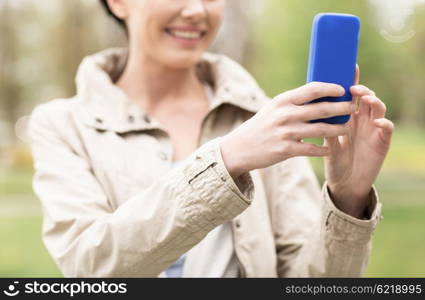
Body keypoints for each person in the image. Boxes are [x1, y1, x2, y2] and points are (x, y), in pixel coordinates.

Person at [28, 0, 394, 278]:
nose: (196, 10)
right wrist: (227, 160)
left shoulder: (269, 118)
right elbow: (88, 266)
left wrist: (347, 199)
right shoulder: (62, 125)